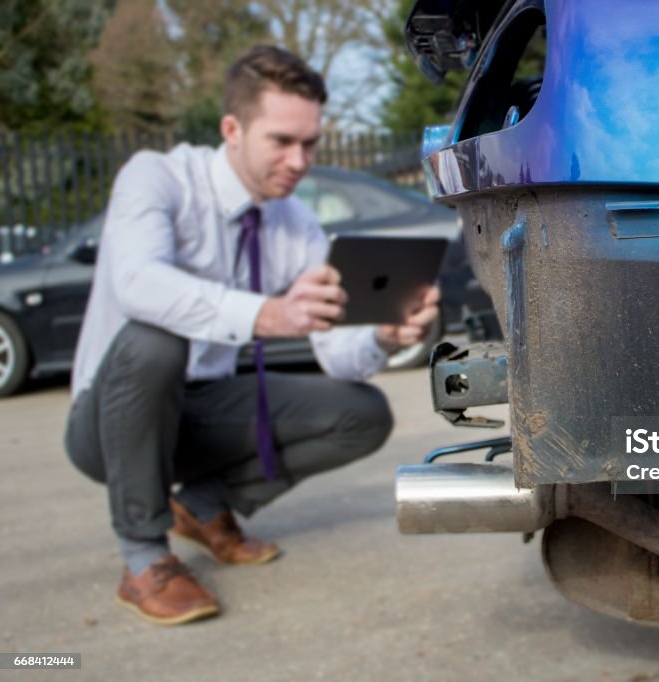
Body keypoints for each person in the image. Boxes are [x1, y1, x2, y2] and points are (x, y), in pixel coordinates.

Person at [64, 45, 439, 626]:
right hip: (110, 420)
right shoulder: (156, 178)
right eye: (281, 142)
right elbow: (137, 282)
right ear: (232, 129)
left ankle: (202, 508)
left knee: (363, 412)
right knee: (155, 339)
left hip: (204, 409)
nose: (299, 161)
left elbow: (337, 354)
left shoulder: (297, 225)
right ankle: (143, 558)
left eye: (310, 144)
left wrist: (384, 338)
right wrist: (267, 315)